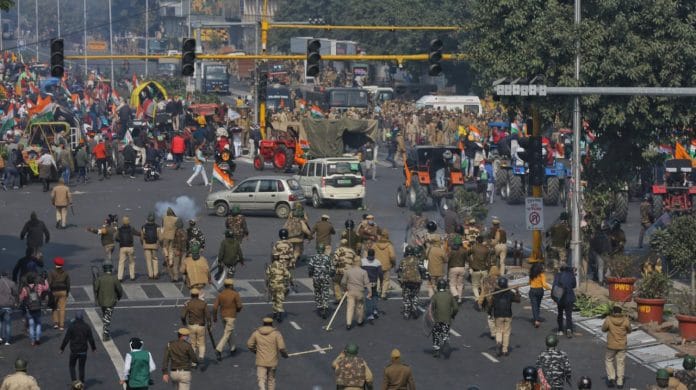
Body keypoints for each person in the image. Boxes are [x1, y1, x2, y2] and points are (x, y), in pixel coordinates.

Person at [247, 317, 288, 390]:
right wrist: (284, 355)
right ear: (271, 324)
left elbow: (249, 344)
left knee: (261, 379)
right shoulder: (276, 334)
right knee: (271, 380)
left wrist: (255, 351)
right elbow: (281, 347)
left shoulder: (256, 333)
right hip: (272, 362)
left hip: (261, 361)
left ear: (263, 324)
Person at [60, 312, 97, 385]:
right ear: (82, 318)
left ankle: (75, 382)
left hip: (74, 351)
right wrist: (93, 348)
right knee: (81, 367)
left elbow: (66, 339)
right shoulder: (87, 326)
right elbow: (91, 339)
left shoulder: (71, 326)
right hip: (83, 351)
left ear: (76, 318)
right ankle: (82, 383)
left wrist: (62, 348)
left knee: (72, 366)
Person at [213, 279, 243, 361]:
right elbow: (239, 306)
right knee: (227, 333)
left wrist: (214, 317)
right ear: (231, 286)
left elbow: (215, 307)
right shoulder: (235, 294)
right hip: (231, 316)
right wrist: (236, 311)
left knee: (229, 332)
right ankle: (218, 349)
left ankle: (233, 348)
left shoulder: (220, 294)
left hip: (223, 316)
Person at [602, 305, 631, 388]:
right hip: (622, 345)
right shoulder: (625, 320)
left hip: (611, 345)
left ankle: (611, 377)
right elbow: (629, 330)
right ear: (620, 312)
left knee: (609, 360)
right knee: (620, 362)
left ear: (613, 312)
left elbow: (603, 329)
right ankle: (620, 381)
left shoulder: (608, 319)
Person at [94, 262, 124, 341]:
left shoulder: (100, 278)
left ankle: (105, 330)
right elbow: (119, 290)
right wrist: (119, 297)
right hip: (111, 301)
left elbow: (96, 288)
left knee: (105, 315)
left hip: (101, 301)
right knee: (107, 318)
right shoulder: (114, 278)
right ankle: (105, 334)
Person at [180, 288, 211, 365]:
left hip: (191, 325)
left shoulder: (189, 303)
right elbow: (208, 315)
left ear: (191, 295)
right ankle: (201, 356)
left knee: (192, 344)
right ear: (198, 295)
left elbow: (183, 316)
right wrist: (209, 323)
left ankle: (193, 362)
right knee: (201, 343)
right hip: (201, 326)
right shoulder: (203, 303)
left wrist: (184, 322)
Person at [491, 277, 521, 357]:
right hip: (508, 315)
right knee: (506, 332)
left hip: (498, 315)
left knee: (498, 331)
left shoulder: (495, 293)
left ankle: (499, 342)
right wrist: (517, 292)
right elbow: (518, 300)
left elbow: (491, 303)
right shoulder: (510, 293)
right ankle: (505, 350)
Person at [430, 279, 458, 358]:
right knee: (445, 331)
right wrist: (452, 315)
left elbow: (430, 308)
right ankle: (445, 339)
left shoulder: (435, 296)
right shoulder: (449, 295)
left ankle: (436, 350)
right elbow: (456, 308)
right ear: (445, 286)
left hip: (437, 319)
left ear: (438, 286)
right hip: (447, 319)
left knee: (436, 333)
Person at [397, 245, 426, 320]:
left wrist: (400, 282)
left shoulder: (403, 260)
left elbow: (399, 272)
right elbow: (423, 270)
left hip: (406, 282)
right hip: (416, 281)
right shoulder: (418, 260)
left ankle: (406, 312)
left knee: (406, 297)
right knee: (415, 295)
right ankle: (414, 308)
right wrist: (422, 278)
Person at [19, 274, 49, 346]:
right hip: (38, 308)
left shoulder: (25, 289)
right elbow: (46, 288)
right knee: (38, 323)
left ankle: (32, 340)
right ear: (34, 280)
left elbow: (21, 298)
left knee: (31, 325)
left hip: (29, 309)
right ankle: (38, 339)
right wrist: (45, 280)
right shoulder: (39, 286)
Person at [342, 257, 371, 330]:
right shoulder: (363, 272)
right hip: (360, 292)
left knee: (350, 308)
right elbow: (367, 283)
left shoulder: (348, 271)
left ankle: (348, 323)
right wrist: (370, 292)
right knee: (360, 307)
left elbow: (343, 282)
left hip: (350, 291)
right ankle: (360, 321)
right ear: (360, 262)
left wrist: (345, 288)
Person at [307, 244, 335, 319]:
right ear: (323, 250)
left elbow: (310, 267)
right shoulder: (328, 257)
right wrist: (331, 275)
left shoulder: (314, 257)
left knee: (317, 291)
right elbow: (332, 268)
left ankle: (319, 306)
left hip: (316, 278)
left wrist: (311, 274)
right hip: (325, 277)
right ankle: (325, 306)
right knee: (325, 291)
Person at [553, 265, 577, 338]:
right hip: (569, 297)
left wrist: (555, 297)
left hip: (560, 297)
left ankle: (560, 330)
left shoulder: (558, 275)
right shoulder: (571, 275)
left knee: (560, 313)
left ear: (560, 270)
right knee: (568, 314)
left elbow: (554, 286)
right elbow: (574, 285)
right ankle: (569, 329)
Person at [266, 254, 291, 323]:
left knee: (274, 298)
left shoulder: (270, 266)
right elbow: (288, 275)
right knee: (279, 299)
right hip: (280, 285)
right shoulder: (282, 266)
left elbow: (267, 276)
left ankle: (274, 312)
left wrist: (267, 285)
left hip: (272, 285)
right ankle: (279, 313)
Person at [361, 249, 384, 324]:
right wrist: (381, 282)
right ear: (374, 254)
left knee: (368, 298)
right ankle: (375, 310)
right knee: (375, 296)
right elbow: (380, 273)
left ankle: (370, 314)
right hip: (374, 282)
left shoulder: (362, 261)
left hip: (366, 283)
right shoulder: (377, 262)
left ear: (367, 254)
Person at [48, 257, 71, 330]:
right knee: (62, 308)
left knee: (54, 307)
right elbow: (68, 283)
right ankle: (61, 325)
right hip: (63, 291)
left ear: (55, 264)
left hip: (54, 291)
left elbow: (49, 282)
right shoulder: (65, 273)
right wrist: (67, 292)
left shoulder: (51, 272)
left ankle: (55, 323)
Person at [373, 229, 396, 300]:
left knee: (378, 279)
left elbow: (371, 253)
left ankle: (377, 292)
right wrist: (393, 263)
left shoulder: (375, 244)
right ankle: (383, 294)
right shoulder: (389, 245)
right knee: (386, 280)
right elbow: (392, 256)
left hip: (377, 265)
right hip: (386, 265)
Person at [447, 236, 469, 304]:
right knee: (460, 284)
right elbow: (467, 259)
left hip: (453, 268)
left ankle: (455, 294)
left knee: (452, 284)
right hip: (462, 268)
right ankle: (459, 299)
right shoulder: (464, 250)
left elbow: (448, 260)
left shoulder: (451, 251)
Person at [529, 263, 551, 328]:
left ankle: (536, 320)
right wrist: (550, 289)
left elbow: (529, 282)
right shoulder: (542, 275)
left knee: (534, 305)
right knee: (538, 305)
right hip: (540, 291)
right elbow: (544, 284)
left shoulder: (531, 274)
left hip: (532, 290)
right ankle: (537, 317)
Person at [140, 213, 162, 280]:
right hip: (154, 245)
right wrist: (159, 243)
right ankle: (155, 274)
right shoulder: (157, 227)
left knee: (148, 261)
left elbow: (141, 237)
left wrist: (143, 243)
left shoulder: (143, 227)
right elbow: (160, 237)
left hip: (146, 245)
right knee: (155, 259)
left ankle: (150, 275)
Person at [470, 235, 491, 300]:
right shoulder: (486, 249)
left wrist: (470, 264)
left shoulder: (473, 247)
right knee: (484, 286)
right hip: (484, 270)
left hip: (476, 270)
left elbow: (468, 254)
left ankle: (478, 298)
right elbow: (489, 261)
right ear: (482, 241)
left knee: (474, 286)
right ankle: (485, 297)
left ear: (476, 241)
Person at [0, 271, 18, 345]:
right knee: (8, 324)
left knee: (0, 322)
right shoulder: (11, 283)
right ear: (7, 275)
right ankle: (7, 341)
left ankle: (0, 338)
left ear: (1, 276)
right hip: (8, 305)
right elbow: (16, 293)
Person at [161, 208, 178, 275]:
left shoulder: (164, 217)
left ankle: (166, 255)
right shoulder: (176, 219)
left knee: (164, 247)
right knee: (171, 249)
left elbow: (162, 226)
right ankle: (171, 261)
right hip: (173, 236)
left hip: (166, 236)